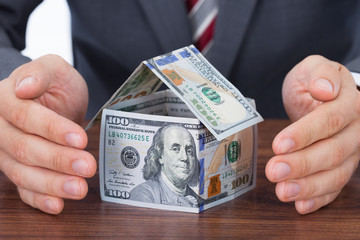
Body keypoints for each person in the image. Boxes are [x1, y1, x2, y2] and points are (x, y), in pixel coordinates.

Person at [0, 0, 360, 215]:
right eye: (178, 147)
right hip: (95, 184)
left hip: (295, 175)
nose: (190, 154)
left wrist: (353, 86)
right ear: (156, 155)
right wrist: (17, 94)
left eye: (187, 148)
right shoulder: (143, 190)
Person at [130, 124, 202, 208]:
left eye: (189, 151)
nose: (185, 157)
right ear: (160, 156)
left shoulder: (200, 201)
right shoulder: (142, 195)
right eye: (175, 149)